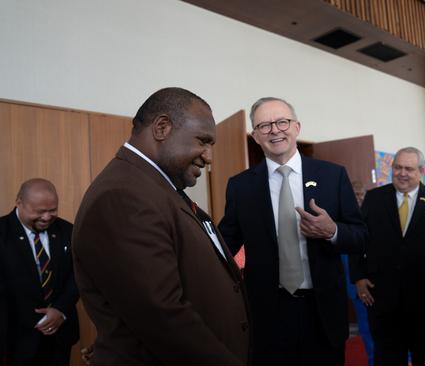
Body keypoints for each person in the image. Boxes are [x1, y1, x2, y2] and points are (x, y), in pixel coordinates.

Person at [72, 87, 250, 366]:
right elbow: (162, 317)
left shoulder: (159, 189)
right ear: (162, 127)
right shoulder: (123, 195)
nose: (208, 156)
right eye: (203, 141)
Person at [218, 97, 367, 366]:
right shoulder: (240, 186)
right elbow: (223, 244)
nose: (275, 130)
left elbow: (360, 236)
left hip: (322, 313)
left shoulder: (333, 176)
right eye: (264, 125)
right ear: (255, 136)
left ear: (296, 127)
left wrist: (332, 230)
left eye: (282, 122)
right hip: (267, 314)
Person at [349, 147, 425, 366]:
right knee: (387, 357)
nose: (402, 173)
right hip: (383, 299)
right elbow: (358, 238)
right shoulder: (374, 198)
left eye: (408, 169)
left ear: (421, 171)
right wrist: (358, 276)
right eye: (397, 167)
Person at [0, 178, 79, 366]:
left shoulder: (68, 231)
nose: (46, 217)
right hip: (14, 340)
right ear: (19, 202)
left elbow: (80, 275)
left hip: (59, 338)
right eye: (39, 211)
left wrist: (61, 309)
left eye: (52, 210)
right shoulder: (2, 232)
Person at [342, 181, 374, 366]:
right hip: (355, 285)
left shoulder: (374, 214)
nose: (359, 198)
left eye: (362, 194)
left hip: (378, 282)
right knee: (366, 328)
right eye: (355, 194)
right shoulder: (342, 220)